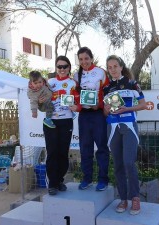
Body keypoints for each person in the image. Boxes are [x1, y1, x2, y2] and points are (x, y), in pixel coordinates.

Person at [103, 55, 146, 215]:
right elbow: (105, 112)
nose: (113, 69)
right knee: (118, 165)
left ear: (121, 67)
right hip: (112, 128)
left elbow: (143, 105)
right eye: (110, 67)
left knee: (129, 162)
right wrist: (106, 109)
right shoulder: (106, 88)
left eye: (115, 66)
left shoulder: (132, 84)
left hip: (129, 126)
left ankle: (135, 197)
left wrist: (126, 109)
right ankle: (123, 199)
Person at [38, 55, 82, 195]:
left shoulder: (74, 83)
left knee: (63, 153)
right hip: (51, 122)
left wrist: (76, 107)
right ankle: (52, 183)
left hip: (66, 120)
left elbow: (79, 101)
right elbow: (41, 107)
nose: (62, 69)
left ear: (69, 68)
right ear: (56, 68)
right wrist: (40, 101)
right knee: (52, 153)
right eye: (59, 67)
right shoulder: (48, 83)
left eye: (65, 66)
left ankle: (60, 180)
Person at [73, 47, 110, 191]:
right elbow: (75, 95)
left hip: (98, 114)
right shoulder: (77, 75)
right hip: (84, 115)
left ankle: (103, 180)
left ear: (91, 58)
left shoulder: (101, 72)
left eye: (86, 58)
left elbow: (107, 92)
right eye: (81, 59)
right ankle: (87, 178)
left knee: (101, 147)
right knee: (85, 148)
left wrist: (99, 105)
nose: (84, 62)